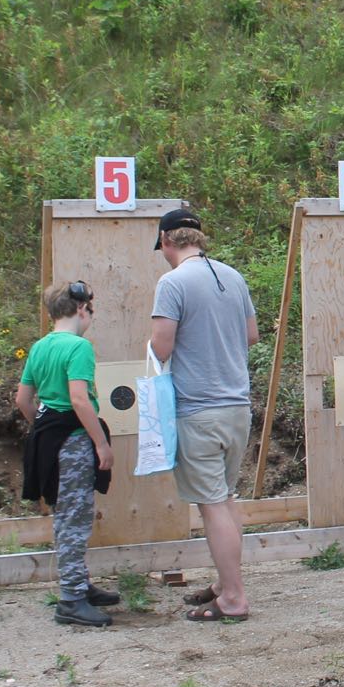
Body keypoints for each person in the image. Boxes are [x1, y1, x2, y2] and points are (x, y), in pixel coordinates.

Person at [150, 208, 259, 622]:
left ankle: (233, 597)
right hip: (236, 407)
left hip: (197, 410)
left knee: (212, 506)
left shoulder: (172, 282)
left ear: (166, 241)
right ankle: (223, 583)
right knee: (226, 501)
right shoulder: (233, 276)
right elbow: (250, 335)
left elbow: (161, 347)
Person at [16, 280, 119, 627]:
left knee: (67, 515)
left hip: (49, 442)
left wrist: (45, 426)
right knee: (74, 520)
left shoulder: (40, 347)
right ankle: (72, 598)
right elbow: (78, 399)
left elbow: (23, 400)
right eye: (91, 308)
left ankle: (80, 584)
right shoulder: (78, 347)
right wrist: (100, 444)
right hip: (73, 443)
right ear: (80, 309)